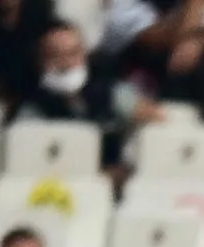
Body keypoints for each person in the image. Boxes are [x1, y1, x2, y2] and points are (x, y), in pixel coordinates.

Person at [16, 18, 160, 174]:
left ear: (85, 55)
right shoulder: (32, 109)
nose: (66, 63)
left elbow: (158, 120)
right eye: (55, 55)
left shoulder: (112, 94)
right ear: (40, 61)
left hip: (106, 190)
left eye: (73, 54)